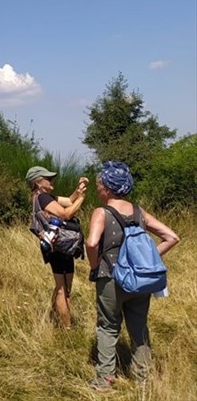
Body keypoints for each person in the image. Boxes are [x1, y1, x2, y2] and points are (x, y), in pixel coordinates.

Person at [85, 161, 179, 392]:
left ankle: (105, 379)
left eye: (99, 185)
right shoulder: (139, 212)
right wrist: (148, 261)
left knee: (108, 327)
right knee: (139, 327)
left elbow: (92, 242)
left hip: (110, 278)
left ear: (107, 187)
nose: (98, 190)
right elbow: (171, 237)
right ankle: (142, 378)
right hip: (139, 280)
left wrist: (95, 264)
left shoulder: (102, 212)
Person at [26, 165, 88, 328]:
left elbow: (68, 200)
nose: (52, 180)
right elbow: (66, 213)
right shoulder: (43, 198)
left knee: (65, 287)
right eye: (48, 178)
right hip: (58, 247)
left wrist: (78, 190)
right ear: (38, 182)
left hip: (58, 245)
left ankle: (54, 317)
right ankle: (66, 327)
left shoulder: (43, 196)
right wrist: (81, 199)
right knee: (63, 289)